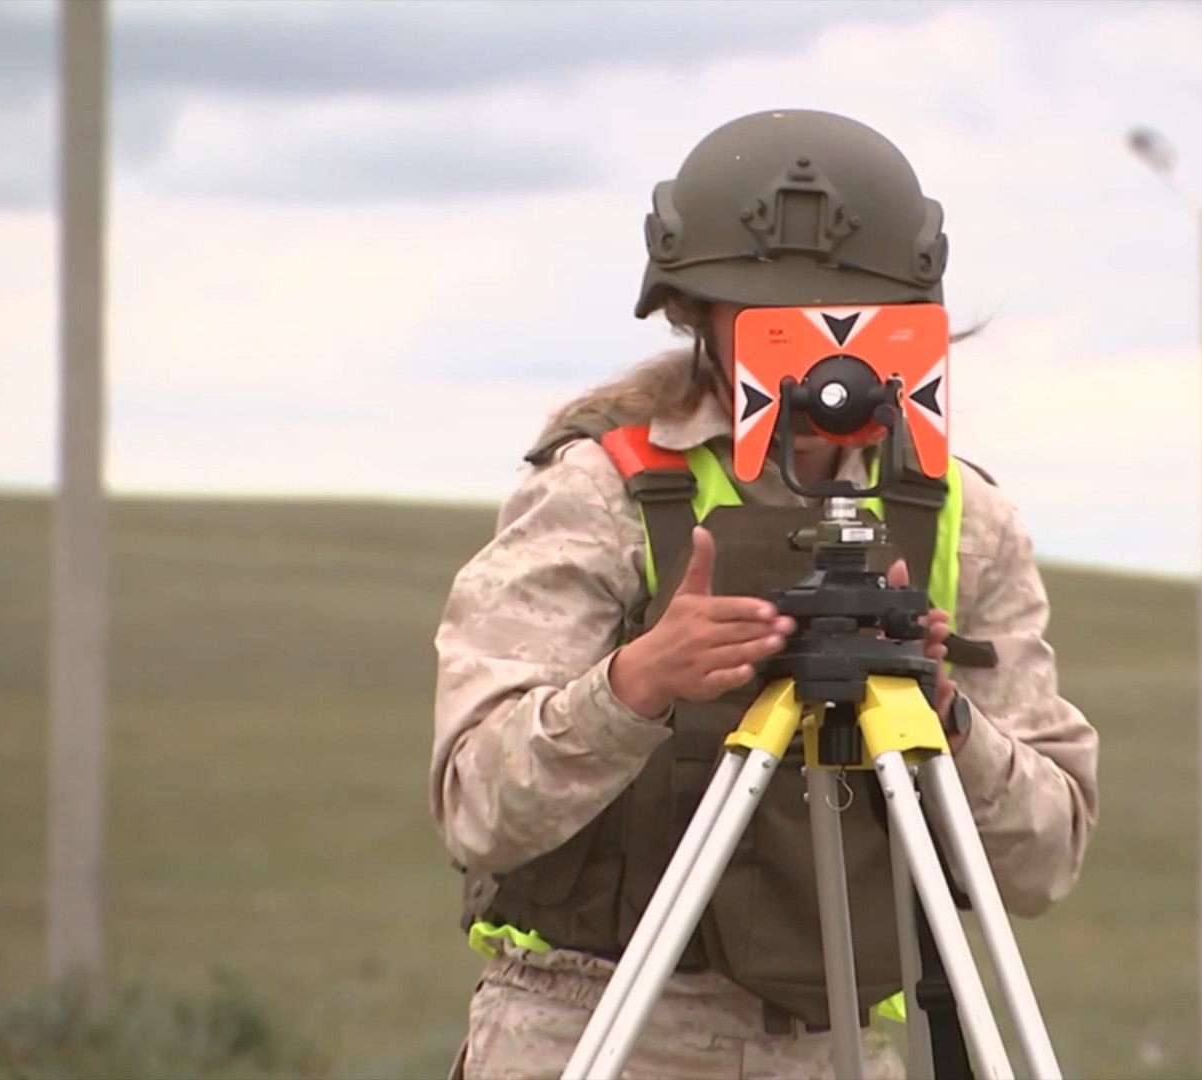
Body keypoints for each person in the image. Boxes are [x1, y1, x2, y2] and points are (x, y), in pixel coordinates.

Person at [429, 108, 1100, 1080]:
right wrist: (636, 685)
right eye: (769, 317)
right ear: (695, 316)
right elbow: (478, 805)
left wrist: (945, 723)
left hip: (835, 1045)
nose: (819, 353)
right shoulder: (604, 487)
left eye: (851, 317)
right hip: (597, 1026)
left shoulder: (964, 517)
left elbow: (1046, 859)